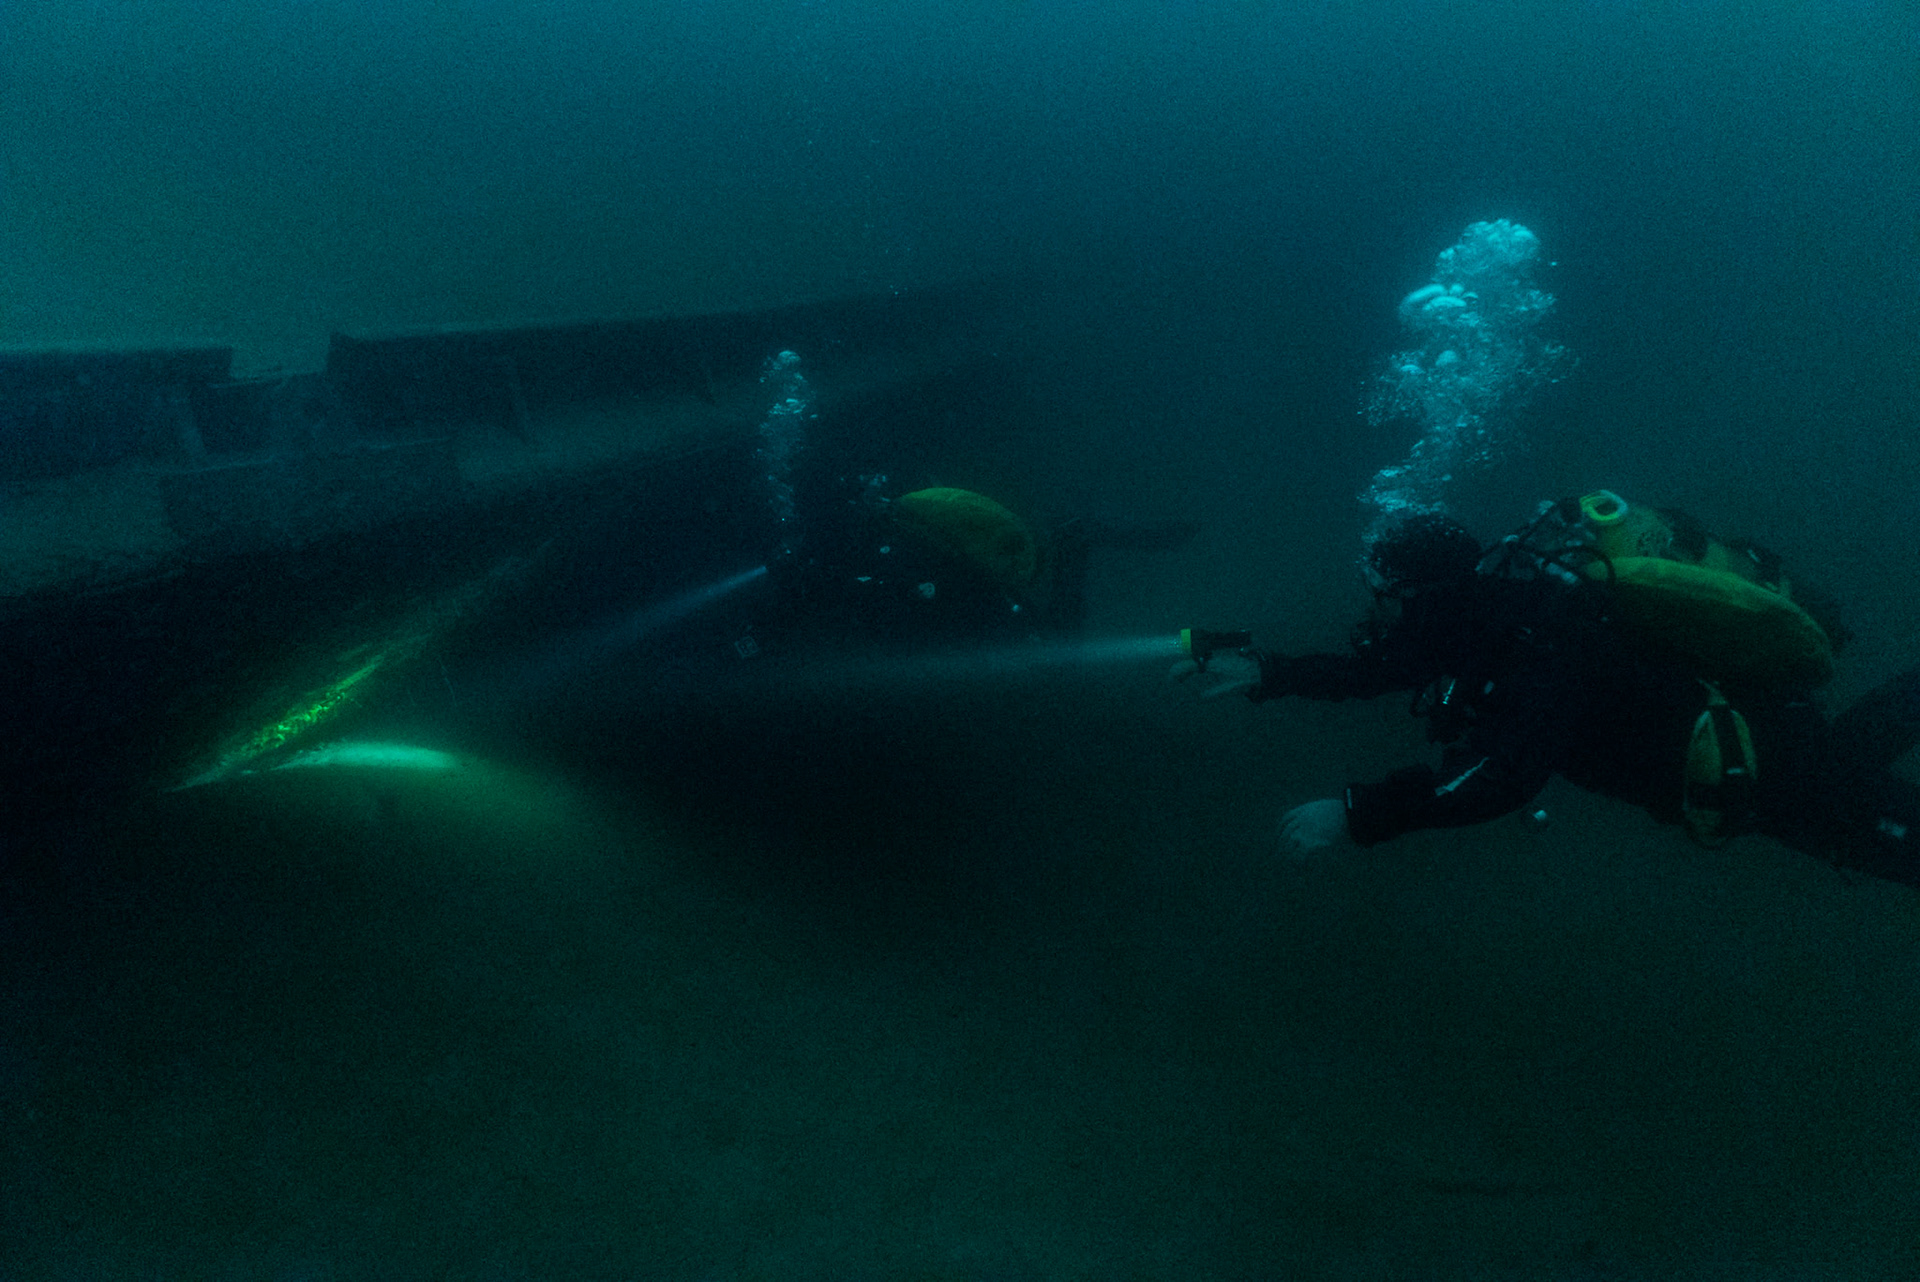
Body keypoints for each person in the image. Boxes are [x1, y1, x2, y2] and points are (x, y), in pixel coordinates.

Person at [1177, 496, 1920, 889]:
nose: (1375, 612)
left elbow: (1501, 778)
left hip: (1776, 773)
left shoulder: (1539, 641)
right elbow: (1372, 670)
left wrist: (1355, 814)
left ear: (1419, 592)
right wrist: (1267, 672)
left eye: (1384, 593)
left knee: (1848, 806)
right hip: (1755, 758)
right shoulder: (1478, 615)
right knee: (1851, 764)